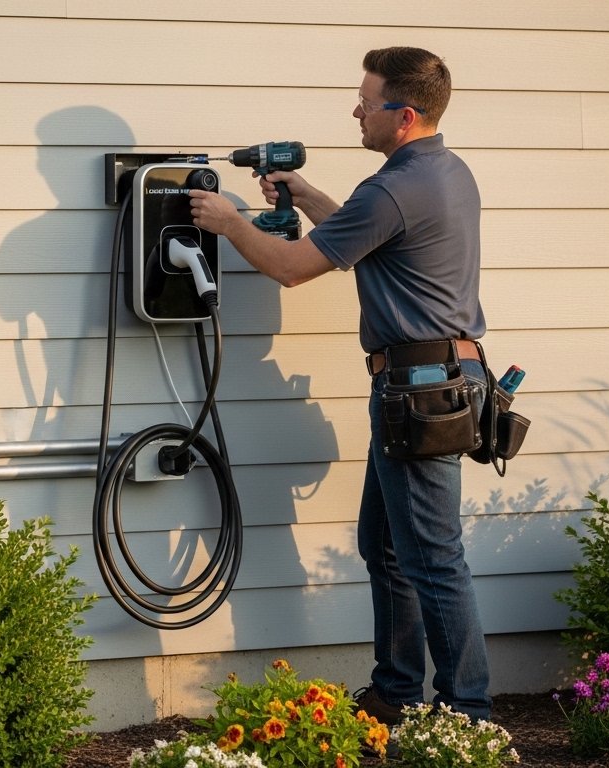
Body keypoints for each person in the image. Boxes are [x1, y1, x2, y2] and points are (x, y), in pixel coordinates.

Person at [188, 46, 491, 723]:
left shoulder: (394, 187)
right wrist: (312, 197)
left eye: (367, 99)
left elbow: (294, 268)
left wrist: (230, 221)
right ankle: (396, 691)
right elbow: (367, 235)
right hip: (434, 378)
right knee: (387, 547)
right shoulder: (439, 172)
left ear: (404, 115)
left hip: (419, 388)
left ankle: (469, 716)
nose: (355, 108)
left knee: (434, 557)